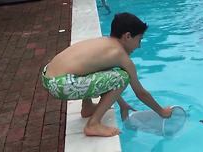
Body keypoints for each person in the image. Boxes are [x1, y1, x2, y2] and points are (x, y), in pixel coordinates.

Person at [41, 12, 172, 137]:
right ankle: (93, 124)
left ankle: (87, 107)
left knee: (100, 72)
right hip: (61, 85)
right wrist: (161, 112)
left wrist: (122, 104)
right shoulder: (120, 55)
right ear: (127, 36)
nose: (139, 46)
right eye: (139, 40)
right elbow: (140, 92)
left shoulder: (105, 43)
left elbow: (106, 79)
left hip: (48, 76)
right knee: (123, 77)